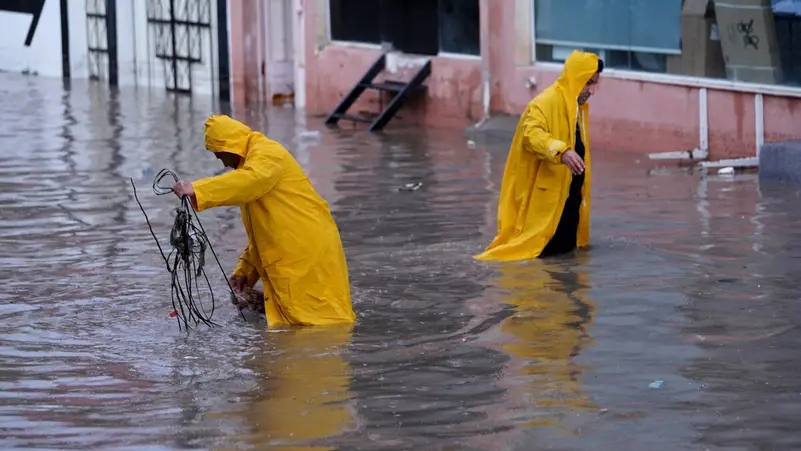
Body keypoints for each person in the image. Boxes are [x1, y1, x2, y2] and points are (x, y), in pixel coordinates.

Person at [171, 114, 356, 326]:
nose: (219, 160)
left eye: (218, 153)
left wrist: (197, 189)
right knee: (294, 321)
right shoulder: (251, 165)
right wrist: (245, 272)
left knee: (318, 323)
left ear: (229, 147)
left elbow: (249, 181)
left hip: (306, 250)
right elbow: (263, 233)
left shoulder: (267, 155)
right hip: (294, 249)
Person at [475, 50, 603, 262]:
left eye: (595, 84)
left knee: (565, 264)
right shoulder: (544, 103)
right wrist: (561, 151)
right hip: (545, 206)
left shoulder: (577, 110)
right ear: (576, 78)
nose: (592, 91)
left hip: (569, 205)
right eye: (588, 83)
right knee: (534, 258)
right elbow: (532, 134)